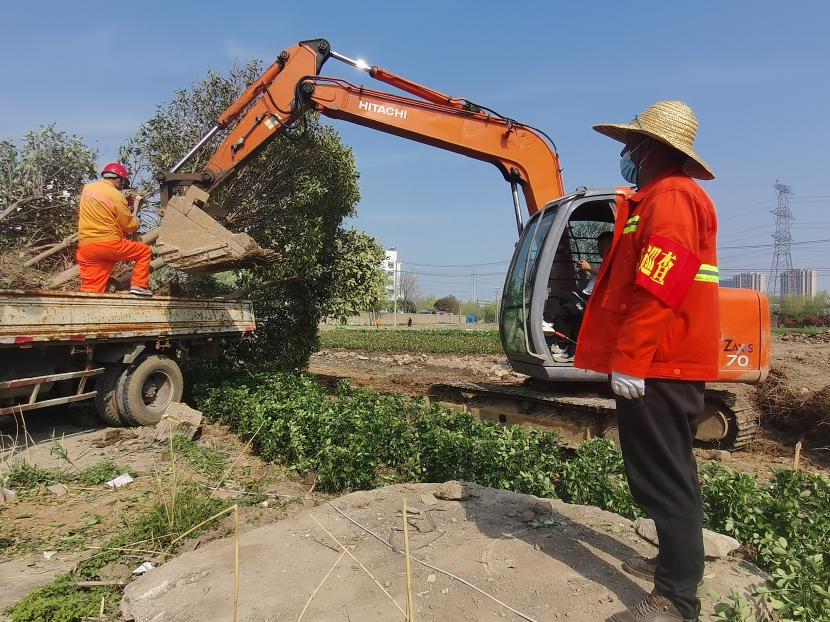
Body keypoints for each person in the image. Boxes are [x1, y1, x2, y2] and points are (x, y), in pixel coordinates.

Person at [575, 101, 720, 622]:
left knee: (664, 479)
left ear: (649, 148)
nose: (625, 153)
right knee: (665, 473)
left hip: (662, 363)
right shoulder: (660, 197)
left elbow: (659, 286)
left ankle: (676, 601)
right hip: (662, 361)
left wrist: (633, 358)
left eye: (630, 144)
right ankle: (674, 563)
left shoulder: (672, 197)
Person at [75, 163, 152, 296]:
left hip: (86, 247)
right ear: (118, 179)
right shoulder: (117, 196)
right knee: (144, 251)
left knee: (92, 289)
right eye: (123, 184)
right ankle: (139, 286)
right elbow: (128, 225)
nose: (122, 188)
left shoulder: (88, 188)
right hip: (109, 244)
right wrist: (136, 222)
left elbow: (102, 206)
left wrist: (124, 202)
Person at [543, 231, 613, 362]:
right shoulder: (602, 265)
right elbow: (591, 284)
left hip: (591, 301)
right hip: (583, 296)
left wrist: (589, 268)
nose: (599, 250)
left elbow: (611, 277)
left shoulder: (616, 263)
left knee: (559, 308)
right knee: (555, 302)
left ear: (610, 245)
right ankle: (550, 327)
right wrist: (583, 276)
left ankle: (561, 343)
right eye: (598, 246)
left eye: (601, 246)